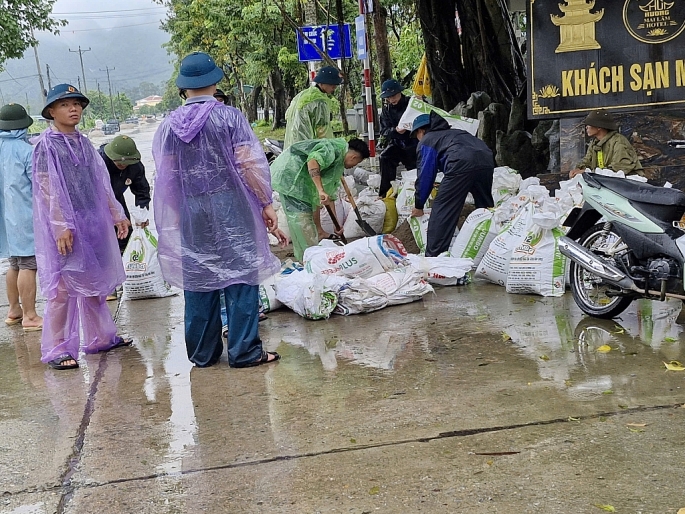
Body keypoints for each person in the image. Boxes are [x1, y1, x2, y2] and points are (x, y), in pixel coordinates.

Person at [152, 51, 287, 369]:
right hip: (230, 204)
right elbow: (249, 164)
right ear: (215, 81)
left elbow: (166, 177)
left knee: (199, 276)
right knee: (241, 272)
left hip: (191, 207)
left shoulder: (169, 126)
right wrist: (265, 204)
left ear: (184, 87)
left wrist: (180, 209)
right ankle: (244, 351)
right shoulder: (229, 117)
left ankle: (203, 353)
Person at [32, 84, 132, 370]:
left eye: (76, 104)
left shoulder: (84, 143)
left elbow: (100, 183)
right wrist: (60, 224)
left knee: (93, 285)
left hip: (91, 223)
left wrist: (117, 213)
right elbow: (46, 186)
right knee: (62, 289)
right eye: (65, 105)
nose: (73, 109)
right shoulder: (45, 145)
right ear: (51, 111)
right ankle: (58, 348)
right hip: (63, 228)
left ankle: (101, 337)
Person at [271, 138, 370, 261]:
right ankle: (309, 260)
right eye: (355, 164)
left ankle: (307, 258)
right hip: (290, 177)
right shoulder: (331, 148)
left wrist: (337, 225)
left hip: (302, 183)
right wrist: (319, 189)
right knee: (303, 222)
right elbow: (313, 161)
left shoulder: (338, 163)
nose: (353, 166)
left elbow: (330, 195)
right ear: (354, 157)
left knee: (304, 223)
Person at [410, 112, 494, 257]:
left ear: (421, 131)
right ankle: (491, 248)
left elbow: (426, 176)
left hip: (460, 162)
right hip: (486, 160)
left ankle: (434, 257)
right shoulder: (456, 133)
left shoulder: (427, 140)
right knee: (485, 207)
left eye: (416, 136)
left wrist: (419, 205)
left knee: (443, 209)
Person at [284, 66, 344, 241]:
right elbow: (322, 130)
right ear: (323, 83)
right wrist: (332, 151)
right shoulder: (319, 101)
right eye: (333, 86)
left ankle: (315, 231)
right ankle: (318, 230)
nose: (334, 89)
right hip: (310, 149)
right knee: (316, 190)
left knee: (308, 192)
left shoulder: (301, 96)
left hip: (293, 149)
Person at [0, 103, 43, 332]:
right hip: (24, 215)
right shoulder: (27, 151)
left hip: (5, 218)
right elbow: (37, 186)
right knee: (28, 264)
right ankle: (30, 315)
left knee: (13, 263)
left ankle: (14, 310)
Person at [98, 135, 151, 253]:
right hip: (96, 203)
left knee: (125, 235)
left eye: (126, 163)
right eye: (119, 162)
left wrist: (141, 214)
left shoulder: (135, 166)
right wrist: (114, 216)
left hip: (117, 199)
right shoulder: (98, 162)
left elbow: (142, 191)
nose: (123, 165)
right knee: (101, 243)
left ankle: (124, 257)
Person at [569, 109, 643, 178]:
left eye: (589, 124)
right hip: (607, 182)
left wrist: (589, 173)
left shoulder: (619, 141)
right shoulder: (595, 143)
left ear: (599, 127)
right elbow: (587, 162)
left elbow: (619, 169)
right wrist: (578, 170)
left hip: (629, 184)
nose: (586, 127)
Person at [378, 79, 418, 198]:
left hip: (414, 142)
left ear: (400, 92)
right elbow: (384, 131)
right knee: (385, 157)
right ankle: (386, 193)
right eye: (388, 97)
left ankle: (417, 193)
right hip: (397, 142)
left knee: (416, 166)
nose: (392, 100)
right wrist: (395, 130)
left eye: (394, 96)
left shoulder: (412, 102)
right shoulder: (386, 110)